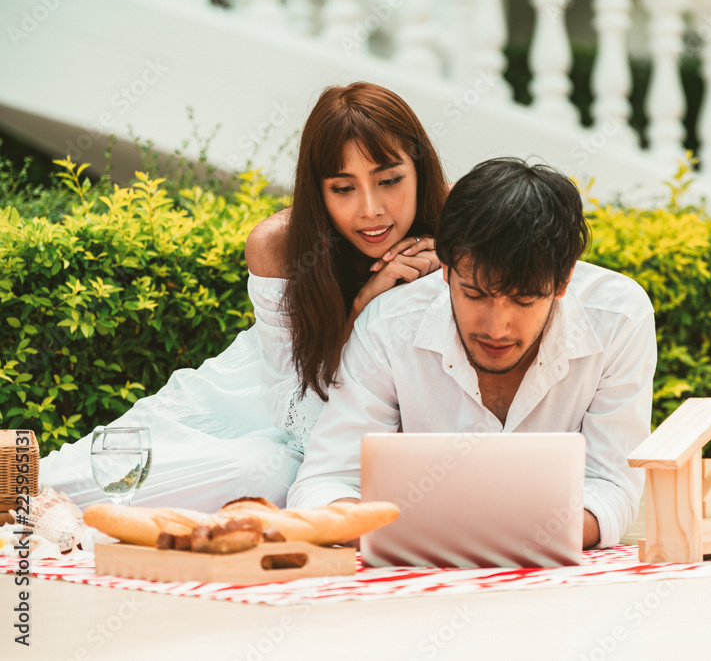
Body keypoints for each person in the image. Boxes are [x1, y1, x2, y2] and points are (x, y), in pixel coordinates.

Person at [39, 82, 449, 512]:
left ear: (420, 169)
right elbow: (303, 428)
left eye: (389, 180)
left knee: (271, 479)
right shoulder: (282, 246)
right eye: (344, 188)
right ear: (318, 189)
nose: (371, 209)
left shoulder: (461, 224)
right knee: (50, 485)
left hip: (302, 456)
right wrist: (364, 309)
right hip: (246, 406)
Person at [287, 158, 657, 549]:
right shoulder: (388, 326)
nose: (496, 328)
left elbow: (611, 484)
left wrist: (514, 535)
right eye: (474, 294)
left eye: (524, 300)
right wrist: (409, 534)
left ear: (563, 281)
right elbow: (326, 481)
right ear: (445, 269)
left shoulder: (618, 318)